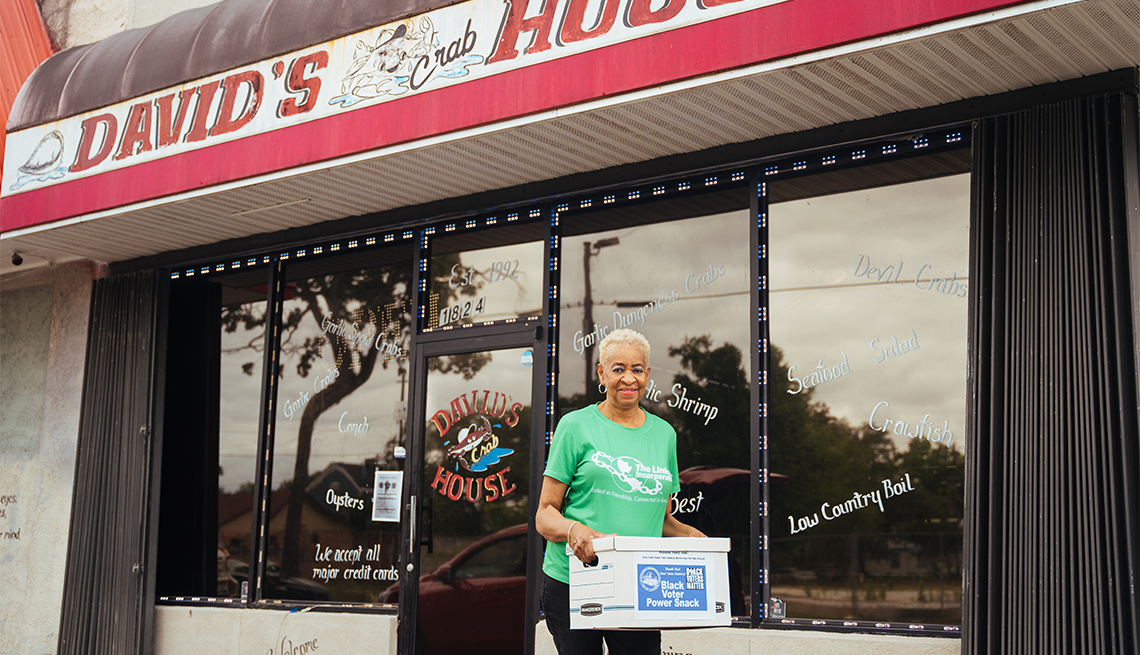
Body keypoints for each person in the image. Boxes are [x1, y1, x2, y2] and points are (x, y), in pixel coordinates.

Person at [536, 328, 705, 655]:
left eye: (637, 369)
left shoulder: (665, 434)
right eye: (618, 369)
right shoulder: (575, 427)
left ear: (647, 374)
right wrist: (576, 530)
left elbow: (659, 516)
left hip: (640, 584)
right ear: (602, 373)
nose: (629, 378)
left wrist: (689, 536)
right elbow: (545, 515)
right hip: (575, 581)